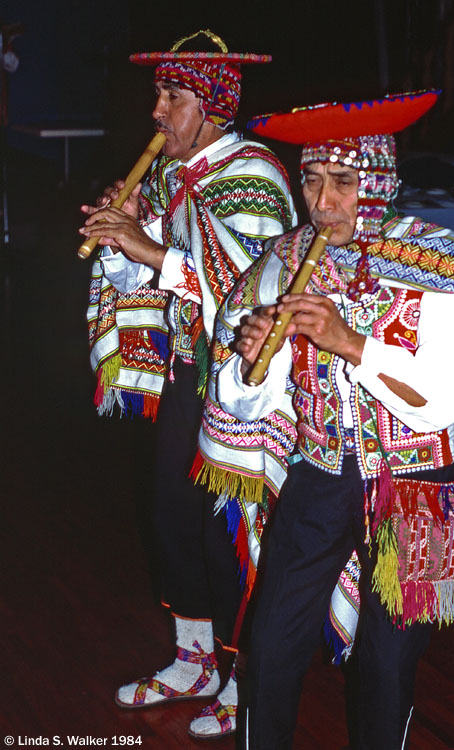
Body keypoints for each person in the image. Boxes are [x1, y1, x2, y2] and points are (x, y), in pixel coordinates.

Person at [207, 91, 454, 749]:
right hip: (320, 473)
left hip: (420, 486)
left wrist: (350, 343)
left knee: (385, 662)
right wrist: (251, 359)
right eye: (312, 180)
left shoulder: (432, 260)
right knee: (271, 640)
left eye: (342, 183)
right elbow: (247, 401)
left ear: (375, 183)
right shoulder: (288, 260)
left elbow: (444, 399)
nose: (323, 202)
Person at [80, 29, 296, 740]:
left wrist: (149, 245)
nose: (156, 113)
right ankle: (194, 660)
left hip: (241, 383)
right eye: (157, 95)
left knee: (225, 528)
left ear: (209, 107)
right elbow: (158, 278)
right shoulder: (174, 176)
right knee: (173, 515)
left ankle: (244, 675)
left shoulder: (252, 175)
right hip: (186, 371)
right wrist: (125, 239)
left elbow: (253, 289)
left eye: (171, 98)